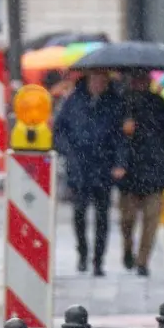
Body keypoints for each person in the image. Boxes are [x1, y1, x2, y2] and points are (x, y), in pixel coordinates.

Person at [113, 70, 164, 277]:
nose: (140, 82)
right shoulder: (122, 104)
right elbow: (111, 137)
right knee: (127, 220)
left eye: (144, 79)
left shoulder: (160, 104)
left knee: (151, 220)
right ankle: (128, 247)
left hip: (155, 170)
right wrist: (124, 133)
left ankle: (142, 261)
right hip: (129, 172)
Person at [55, 71, 124, 275]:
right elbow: (59, 130)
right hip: (79, 166)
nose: (98, 84)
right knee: (79, 212)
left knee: (102, 216)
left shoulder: (113, 104)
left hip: (103, 167)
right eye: (95, 80)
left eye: (102, 81)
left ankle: (98, 260)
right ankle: (83, 253)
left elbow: (120, 137)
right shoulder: (74, 101)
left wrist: (119, 163)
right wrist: (69, 152)